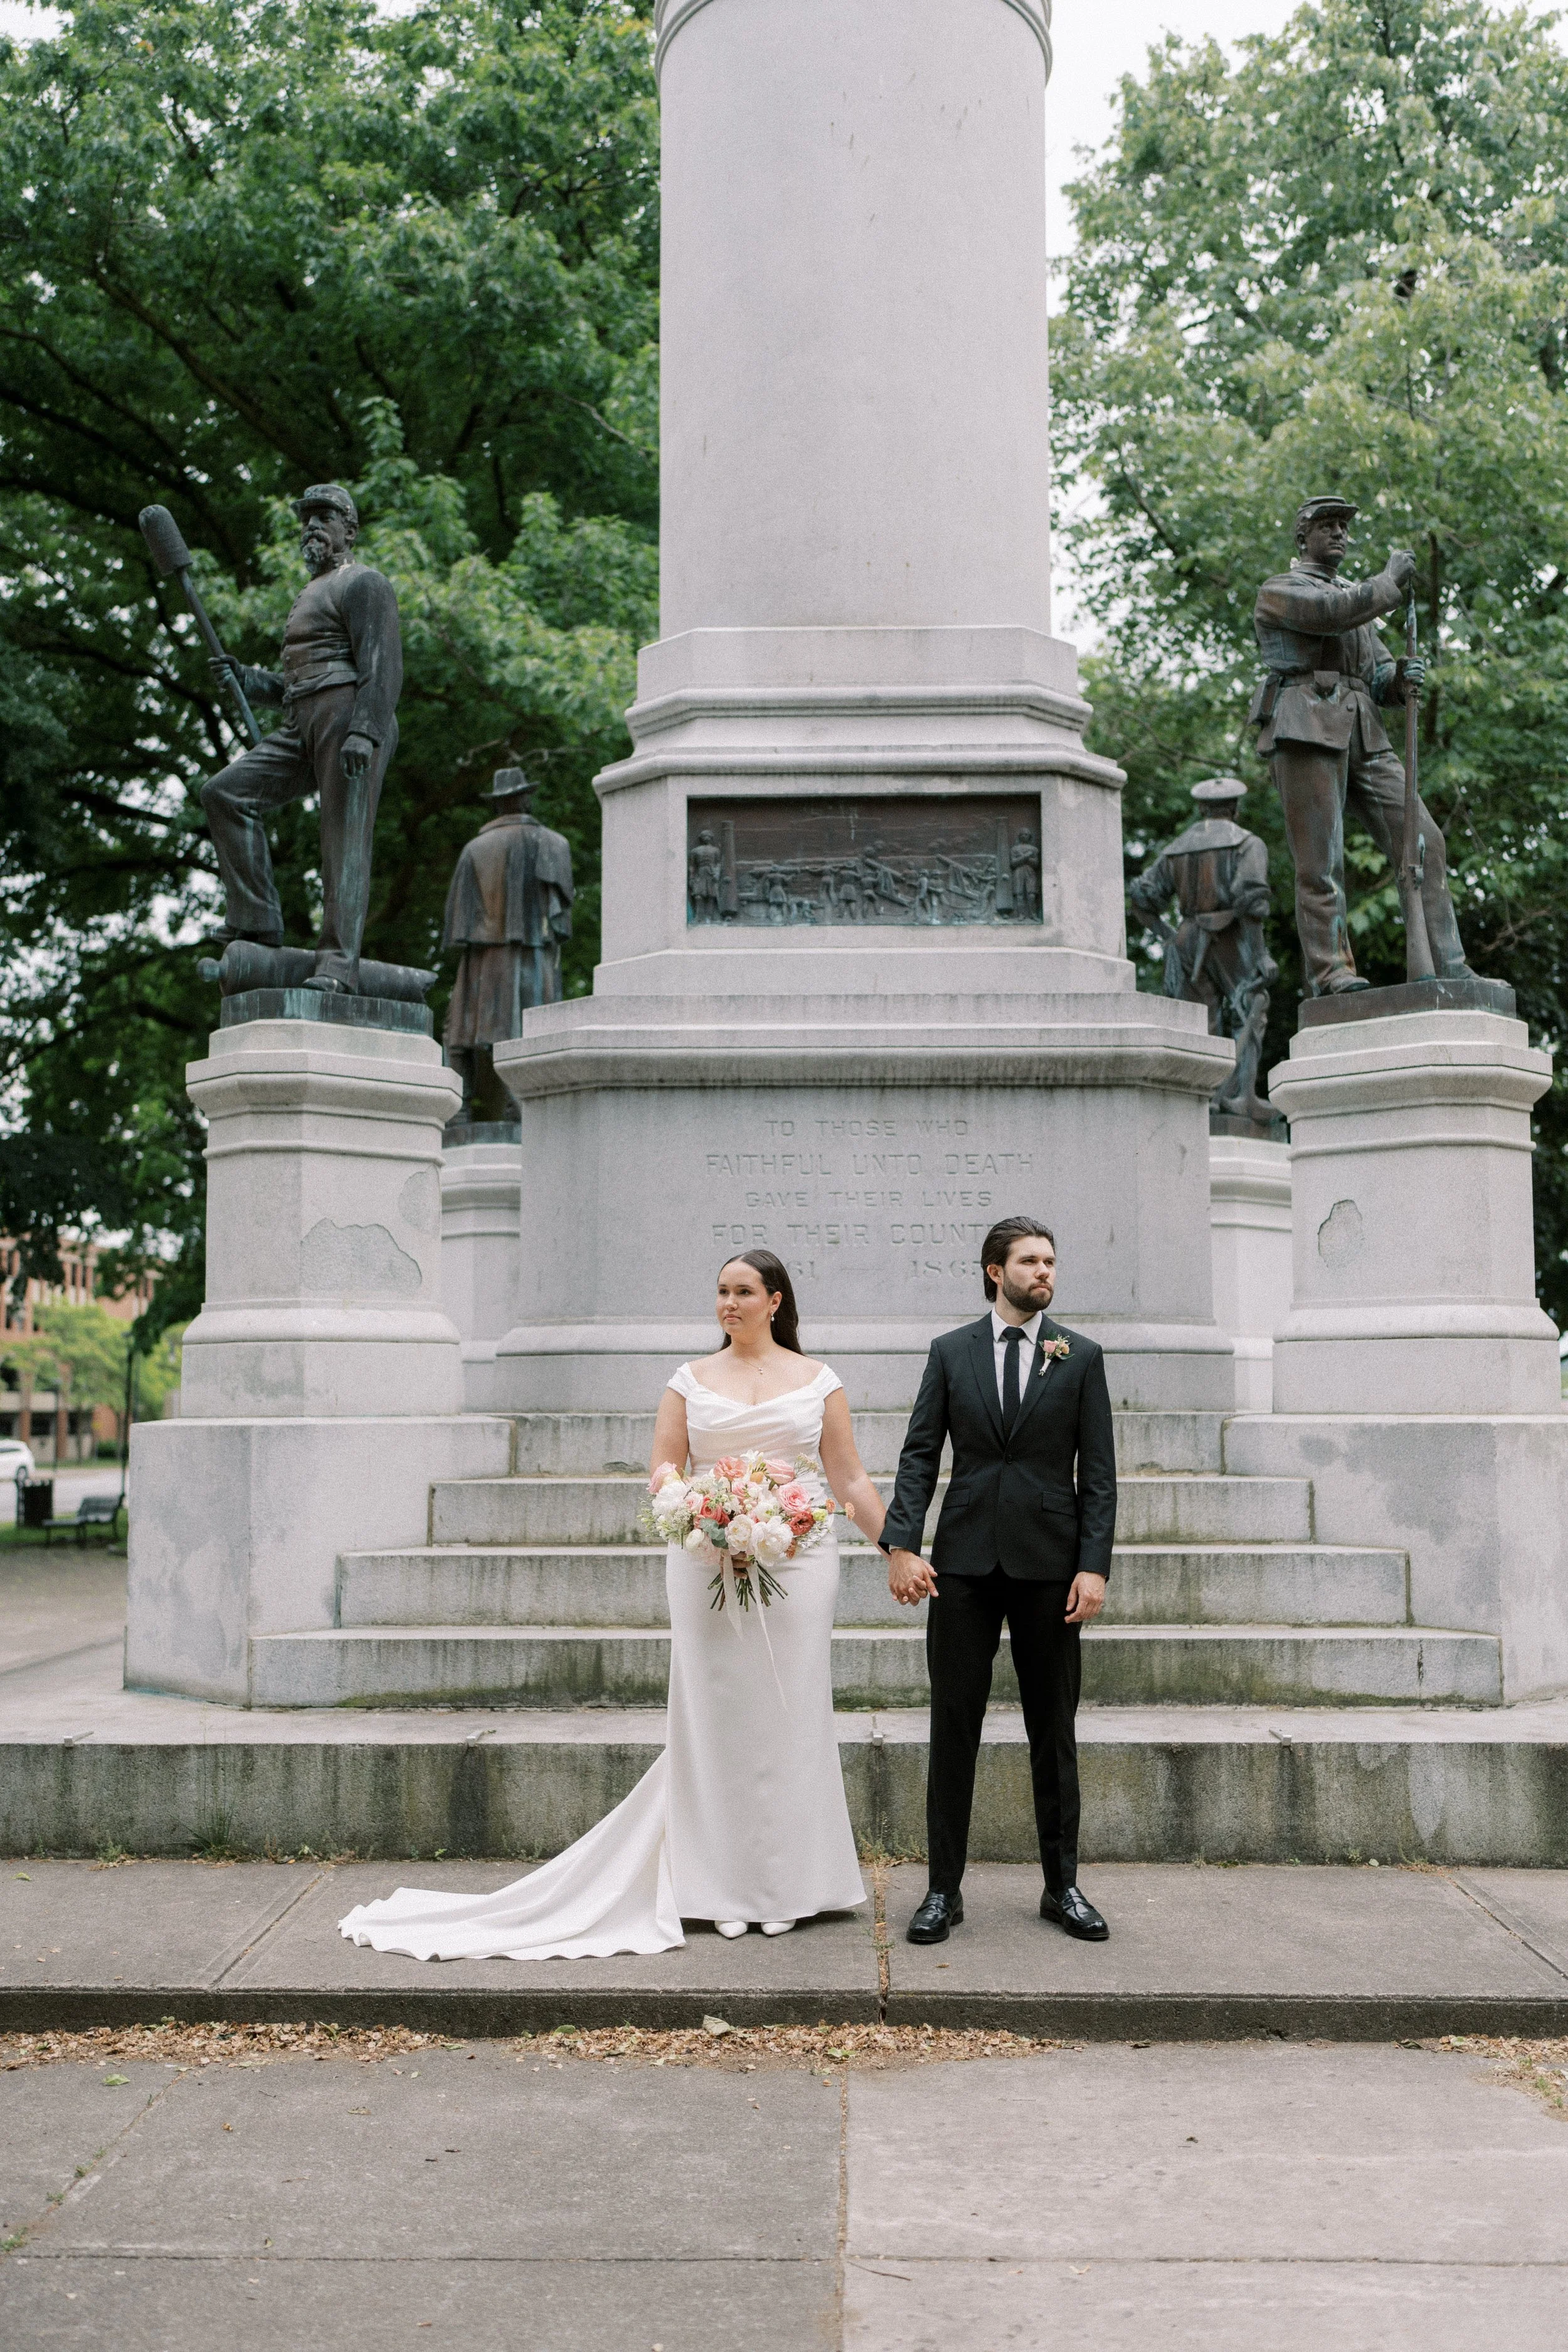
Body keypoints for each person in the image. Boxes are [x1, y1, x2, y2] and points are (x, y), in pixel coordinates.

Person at [339, 1251, 879, 1959]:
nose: (728, 1303)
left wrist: (897, 1547)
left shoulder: (818, 1382)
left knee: (790, 1708)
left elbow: (848, 1476)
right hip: (704, 1556)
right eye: (720, 1291)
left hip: (799, 1558)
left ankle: (785, 1887)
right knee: (711, 1714)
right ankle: (717, 1888)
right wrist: (701, 1512)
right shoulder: (688, 1382)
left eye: (743, 1291)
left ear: (775, 1300)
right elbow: (664, 1472)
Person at [879, 1216, 1117, 1946]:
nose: (1044, 1271)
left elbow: (1098, 1475)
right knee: (954, 1726)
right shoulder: (951, 1353)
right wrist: (899, 1544)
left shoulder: (1079, 1355)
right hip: (965, 1568)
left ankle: (1061, 1886)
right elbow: (920, 1454)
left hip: (1051, 1569)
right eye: (1029, 1260)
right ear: (994, 1270)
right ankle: (941, 1892)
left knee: (1055, 1730)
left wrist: (1093, 1565)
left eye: (1050, 1259)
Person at [1251, 493, 1475, 996]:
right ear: (1302, 536)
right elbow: (1329, 615)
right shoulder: (1281, 590)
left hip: (1365, 731)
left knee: (1424, 843)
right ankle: (1332, 974)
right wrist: (1388, 581)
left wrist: (1399, 679)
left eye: (1343, 527)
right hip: (1306, 724)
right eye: (1327, 525)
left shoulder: (1357, 598)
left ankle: (1450, 967)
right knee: (1320, 862)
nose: (1338, 534)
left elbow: (1375, 675)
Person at [203, 484, 402, 994]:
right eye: (307, 518)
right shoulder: (309, 594)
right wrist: (248, 680)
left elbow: (382, 670)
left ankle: (337, 966)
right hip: (301, 721)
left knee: (343, 841)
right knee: (225, 793)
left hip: (349, 718)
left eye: (325, 516)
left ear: (349, 530)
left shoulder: (364, 584)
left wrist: (365, 730)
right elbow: (299, 682)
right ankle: (257, 918)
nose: (313, 525)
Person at [441, 768, 574, 1124]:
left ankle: (459, 1112)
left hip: (485, 960)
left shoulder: (475, 849)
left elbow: (459, 920)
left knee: (460, 1033)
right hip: (537, 957)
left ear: (499, 804)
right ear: (525, 798)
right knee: (532, 1030)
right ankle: (525, 1110)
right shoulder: (555, 844)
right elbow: (561, 918)